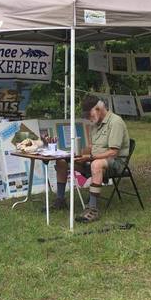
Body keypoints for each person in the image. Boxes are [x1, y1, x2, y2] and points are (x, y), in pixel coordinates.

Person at [53, 94, 130, 222]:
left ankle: (92, 209)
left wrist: (90, 157)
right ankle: (60, 200)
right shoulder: (95, 124)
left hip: (115, 163)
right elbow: (92, 146)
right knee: (61, 161)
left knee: (96, 164)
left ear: (98, 109)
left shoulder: (116, 122)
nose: (88, 118)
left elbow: (113, 152)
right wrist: (78, 154)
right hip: (94, 159)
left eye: (89, 114)